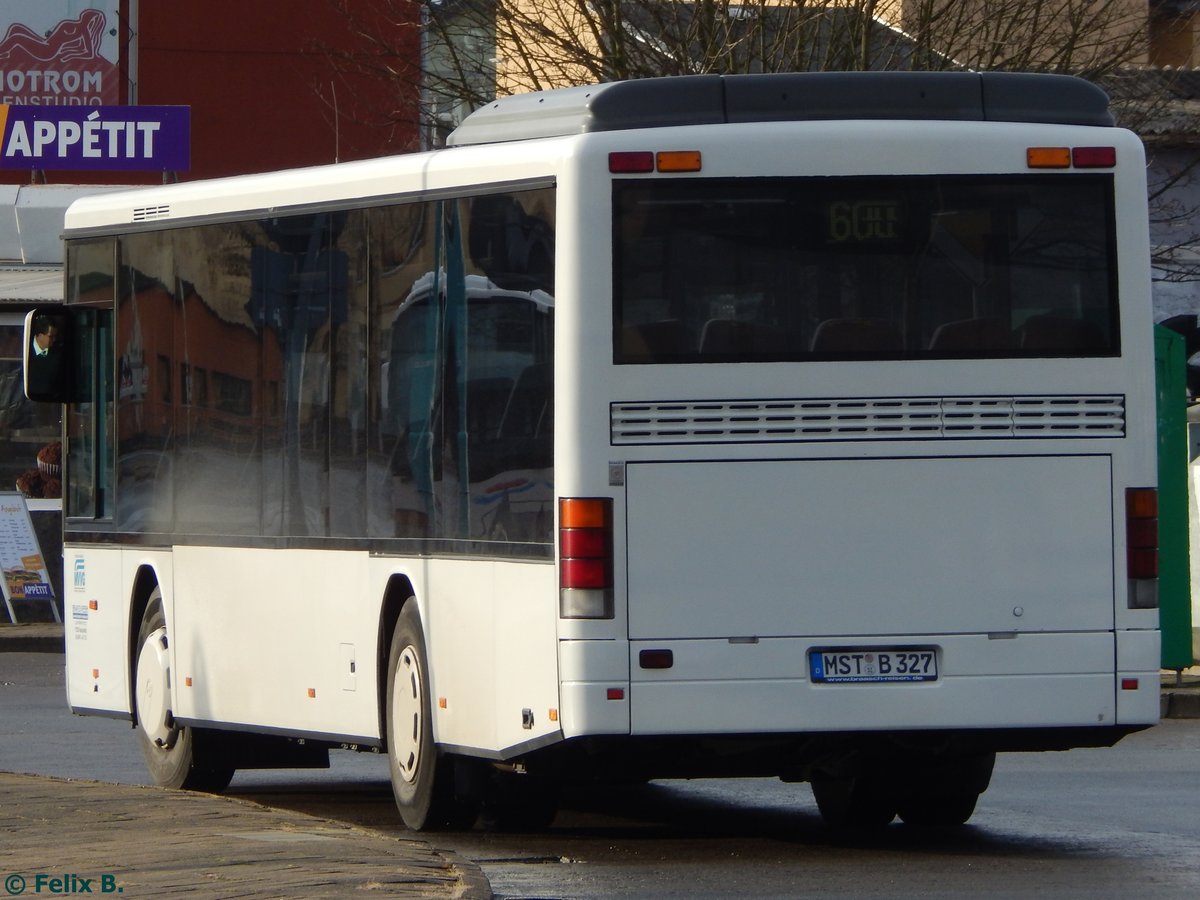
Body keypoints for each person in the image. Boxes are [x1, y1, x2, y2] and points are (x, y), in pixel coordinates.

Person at [26, 315, 63, 398]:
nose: (54, 340)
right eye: (51, 336)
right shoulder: (24, 349)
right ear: (39, 335)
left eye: (55, 336)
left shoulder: (58, 355)